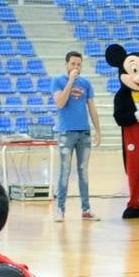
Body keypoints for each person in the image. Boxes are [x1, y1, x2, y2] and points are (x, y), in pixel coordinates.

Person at [51, 51, 100, 222]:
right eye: (73, 64)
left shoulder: (86, 83)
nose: (76, 67)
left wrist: (97, 130)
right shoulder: (58, 81)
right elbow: (60, 103)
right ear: (67, 64)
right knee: (65, 171)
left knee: (83, 172)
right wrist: (71, 81)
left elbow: (92, 107)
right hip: (66, 133)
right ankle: (60, 209)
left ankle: (85, 209)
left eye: (79, 64)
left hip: (84, 133)